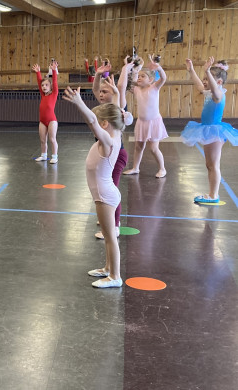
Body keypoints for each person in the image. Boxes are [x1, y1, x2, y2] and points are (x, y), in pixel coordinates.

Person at [63, 87, 125, 288]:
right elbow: (112, 115)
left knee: (110, 238)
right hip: (105, 194)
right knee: (108, 237)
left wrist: (79, 102)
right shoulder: (114, 136)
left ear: (105, 124)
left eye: (99, 123)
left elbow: (91, 120)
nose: (94, 127)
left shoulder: (107, 141)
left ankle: (115, 276)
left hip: (105, 196)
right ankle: (107, 268)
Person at [182, 58, 238, 203]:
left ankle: (214, 195)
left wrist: (207, 70)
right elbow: (200, 87)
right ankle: (212, 193)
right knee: (210, 165)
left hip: (214, 131)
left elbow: (213, 90)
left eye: (208, 79)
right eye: (205, 78)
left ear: (219, 82)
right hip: (207, 129)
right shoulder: (209, 92)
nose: (205, 81)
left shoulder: (218, 95)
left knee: (213, 165)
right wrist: (191, 70)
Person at [90, 65, 131, 240]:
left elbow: (120, 93)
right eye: (100, 92)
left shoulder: (116, 108)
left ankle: (115, 226)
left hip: (117, 155)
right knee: (107, 190)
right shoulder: (103, 109)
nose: (101, 94)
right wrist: (98, 74)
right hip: (106, 155)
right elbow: (94, 88)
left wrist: (116, 91)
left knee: (110, 190)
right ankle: (108, 217)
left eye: (104, 92)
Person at [122, 55, 168, 178]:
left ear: (151, 80)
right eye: (139, 76)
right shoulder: (137, 89)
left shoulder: (154, 88)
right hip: (141, 122)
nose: (140, 78)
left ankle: (162, 169)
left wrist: (158, 67)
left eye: (143, 76)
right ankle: (135, 167)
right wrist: (134, 70)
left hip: (153, 122)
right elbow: (131, 81)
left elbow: (163, 78)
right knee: (138, 146)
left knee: (153, 148)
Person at [32, 61, 59, 163]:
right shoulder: (43, 95)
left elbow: (55, 82)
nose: (44, 87)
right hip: (42, 121)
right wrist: (38, 72)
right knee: (43, 140)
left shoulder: (54, 94)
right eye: (43, 85)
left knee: (52, 139)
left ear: (50, 86)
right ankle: (43, 155)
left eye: (46, 85)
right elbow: (39, 82)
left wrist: (54, 70)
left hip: (52, 120)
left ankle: (55, 156)